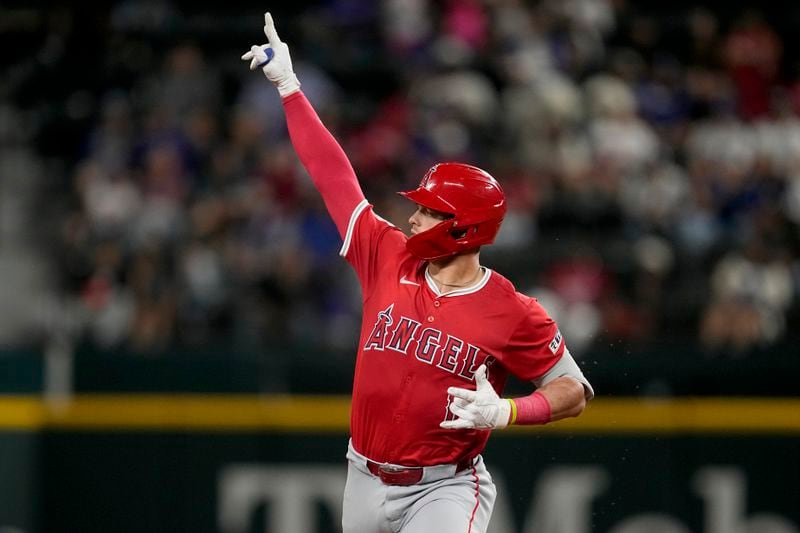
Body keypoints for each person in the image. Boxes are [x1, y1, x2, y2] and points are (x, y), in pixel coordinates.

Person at [242, 13, 594, 533]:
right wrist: (290, 88)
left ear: (463, 228)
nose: (413, 217)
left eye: (429, 211)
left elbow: (573, 389)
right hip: (361, 476)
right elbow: (334, 178)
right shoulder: (388, 253)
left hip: (444, 488)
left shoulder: (512, 310)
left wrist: (510, 412)